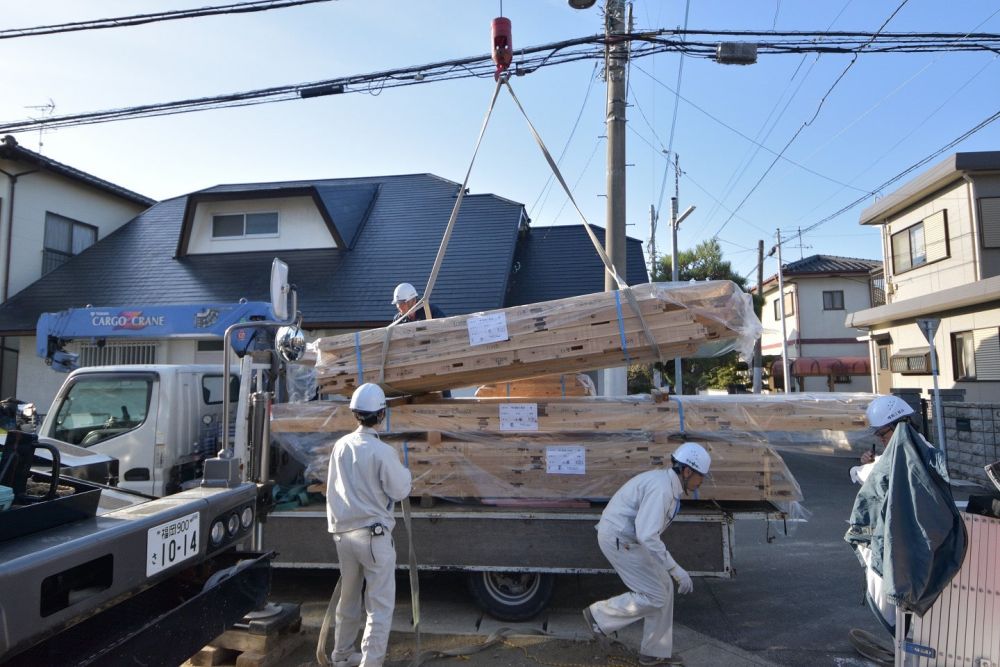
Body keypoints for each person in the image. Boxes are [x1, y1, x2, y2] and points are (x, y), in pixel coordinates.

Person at [582, 442, 711, 667]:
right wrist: (675, 568)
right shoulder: (662, 489)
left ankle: (654, 653)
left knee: (665, 586)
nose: (701, 482)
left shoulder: (667, 486)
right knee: (655, 595)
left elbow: (646, 533)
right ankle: (599, 617)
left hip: (628, 537)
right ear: (687, 471)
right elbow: (647, 535)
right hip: (620, 538)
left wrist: (671, 571)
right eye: (701, 476)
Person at [326, 383, 412, 667]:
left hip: (343, 535)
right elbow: (400, 491)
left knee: (348, 600)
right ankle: (370, 663)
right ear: (381, 414)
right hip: (373, 537)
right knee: (379, 606)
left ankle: (340, 656)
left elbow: (333, 491)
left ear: (355, 414)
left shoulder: (340, 446)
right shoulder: (381, 452)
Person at [849, 395, 916, 485]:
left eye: (882, 433)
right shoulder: (926, 447)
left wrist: (865, 466)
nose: (880, 438)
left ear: (897, 427)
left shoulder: (894, 457)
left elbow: (860, 474)